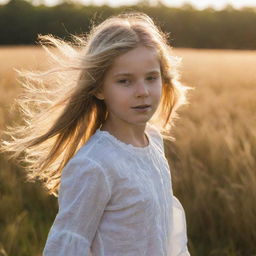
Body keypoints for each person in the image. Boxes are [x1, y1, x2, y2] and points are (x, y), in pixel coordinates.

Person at [0, 12, 193, 255]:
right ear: (99, 88)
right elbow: (68, 245)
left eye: (151, 78)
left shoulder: (153, 141)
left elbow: (162, 228)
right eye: (125, 81)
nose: (142, 91)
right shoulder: (94, 165)